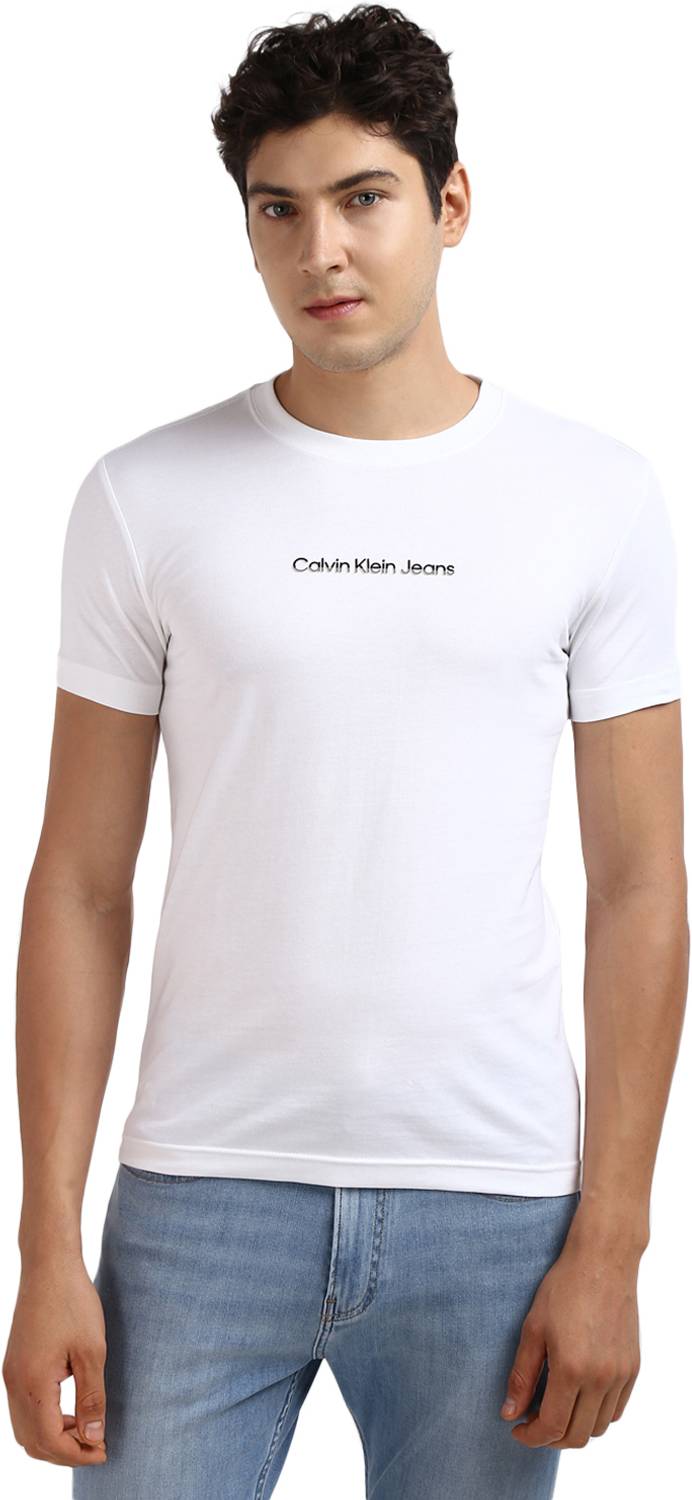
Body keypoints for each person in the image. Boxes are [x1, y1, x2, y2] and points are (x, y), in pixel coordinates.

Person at [3, 5, 688, 1497]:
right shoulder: (142, 497)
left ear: (452, 202)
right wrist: (46, 1241)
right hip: (197, 1202)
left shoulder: (595, 496)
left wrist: (615, 1241)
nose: (322, 251)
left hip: (495, 1208)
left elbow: (642, 883)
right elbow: (81, 883)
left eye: (364, 197)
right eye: (280, 209)